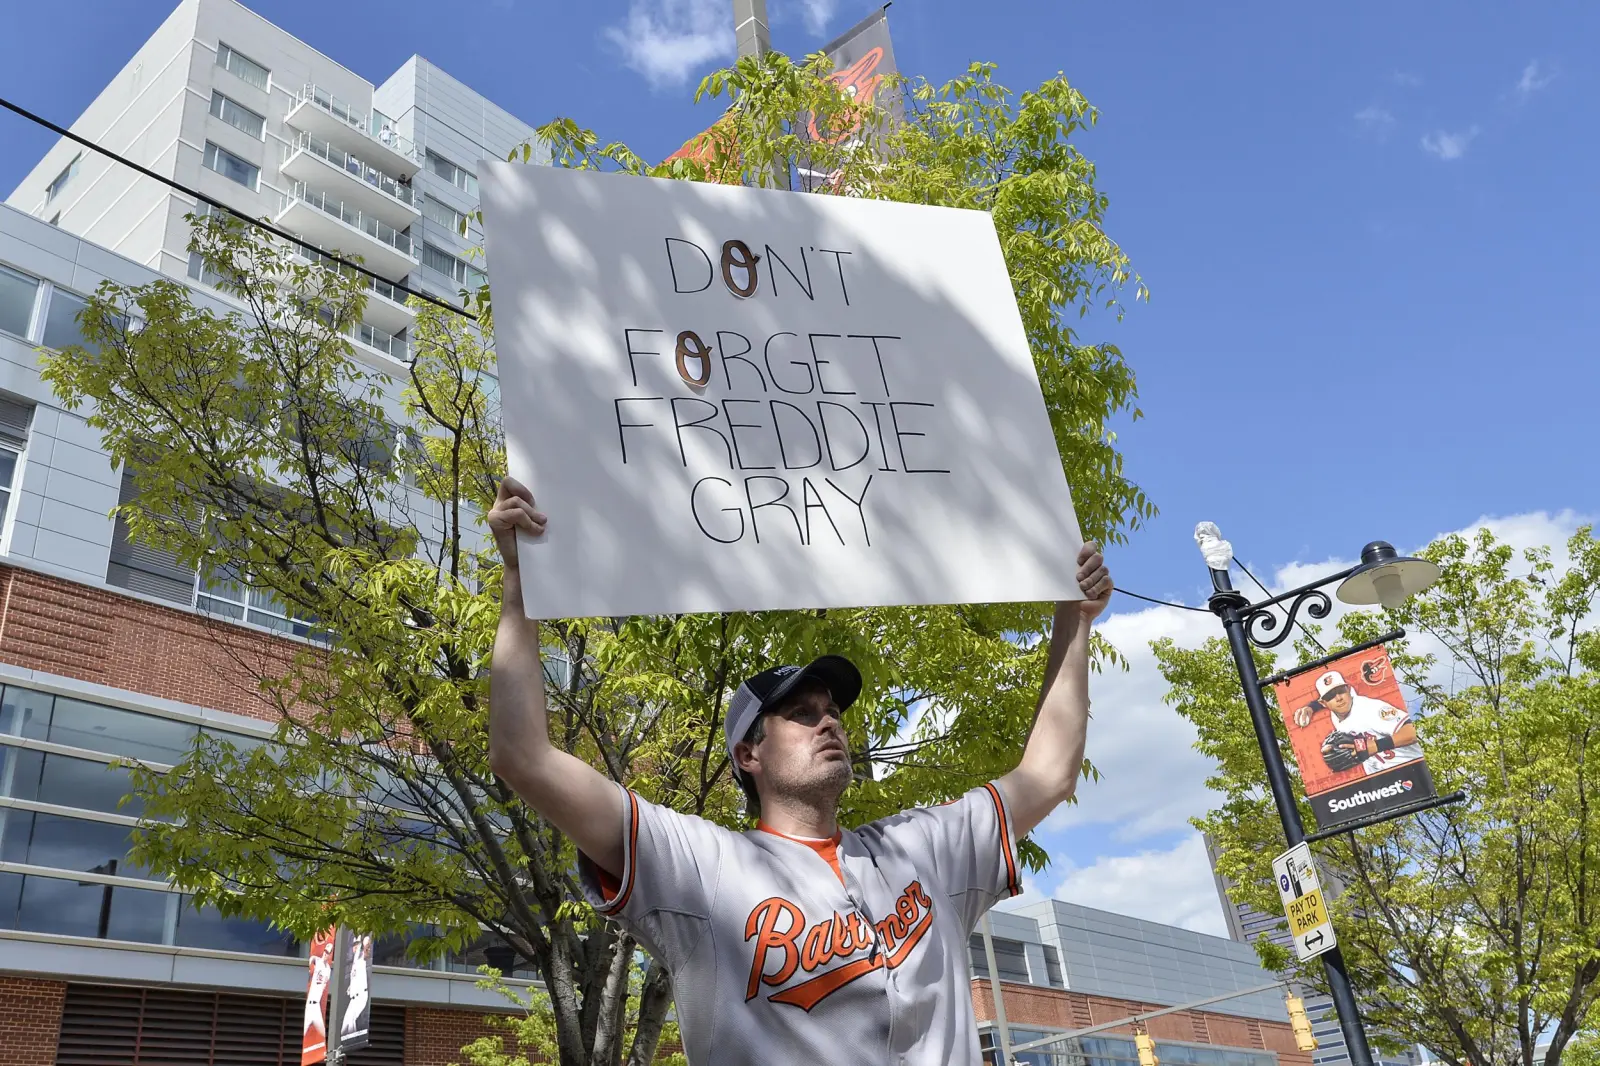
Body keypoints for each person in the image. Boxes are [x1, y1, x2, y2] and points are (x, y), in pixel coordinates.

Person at [486, 477, 1113, 1066]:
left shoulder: (922, 846)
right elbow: (524, 756)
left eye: (834, 710)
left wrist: (1073, 618)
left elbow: (1050, 771)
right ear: (748, 755)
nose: (830, 722)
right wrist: (521, 586)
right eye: (802, 713)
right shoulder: (701, 866)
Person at [1294, 669, 1421, 775]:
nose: (1338, 698)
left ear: (1349, 690)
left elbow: (1411, 733)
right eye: (1331, 696)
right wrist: (1311, 708)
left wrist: (1376, 746)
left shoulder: (1369, 708)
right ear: (1324, 703)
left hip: (1413, 769)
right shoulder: (1337, 712)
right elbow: (1327, 699)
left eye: (1341, 691)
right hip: (1386, 782)